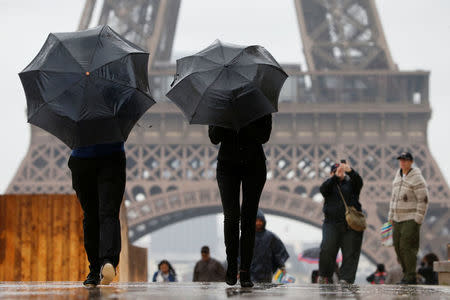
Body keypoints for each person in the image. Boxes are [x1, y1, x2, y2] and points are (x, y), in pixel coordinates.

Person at [208, 114, 272, 287]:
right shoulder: (220, 104)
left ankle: (245, 271)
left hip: (254, 165)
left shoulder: (257, 102)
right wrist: (229, 117)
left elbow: (264, 136)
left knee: (248, 219)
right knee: (231, 218)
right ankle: (232, 266)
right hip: (227, 166)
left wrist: (245, 119)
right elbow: (214, 137)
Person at [68, 142, 126, 287]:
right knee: (109, 214)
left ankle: (94, 270)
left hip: (82, 157)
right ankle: (107, 261)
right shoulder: (114, 119)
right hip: (111, 154)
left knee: (91, 216)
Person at [318, 161, 364, 284]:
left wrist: (350, 171)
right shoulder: (329, 185)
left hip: (350, 225)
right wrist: (335, 177)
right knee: (327, 249)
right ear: (331, 173)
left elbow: (359, 182)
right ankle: (325, 275)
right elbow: (323, 190)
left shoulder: (352, 185)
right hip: (331, 223)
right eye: (335, 171)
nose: (339, 173)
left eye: (341, 171)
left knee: (350, 253)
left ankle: (346, 279)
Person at [388, 152, 429, 284]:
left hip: (410, 218)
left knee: (407, 247)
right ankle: (407, 274)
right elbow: (393, 198)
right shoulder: (397, 176)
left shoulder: (417, 178)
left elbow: (423, 199)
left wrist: (418, 218)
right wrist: (391, 216)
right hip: (397, 218)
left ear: (411, 162)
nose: (403, 163)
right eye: (401, 160)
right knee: (398, 247)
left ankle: (410, 277)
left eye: (405, 160)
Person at [249, 210, 289, 283]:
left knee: (264, 290)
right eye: (256, 221)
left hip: (266, 271)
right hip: (251, 271)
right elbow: (241, 254)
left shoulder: (271, 237)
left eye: (260, 221)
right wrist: (239, 269)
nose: (258, 223)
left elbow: (277, 253)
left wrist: (282, 267)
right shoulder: (247, 236)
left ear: (264, 222)